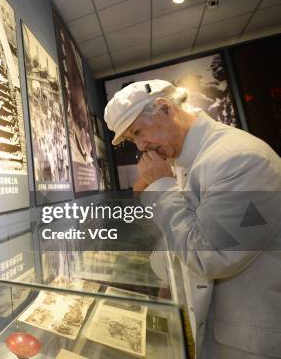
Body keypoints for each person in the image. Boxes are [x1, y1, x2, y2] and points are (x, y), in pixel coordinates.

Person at [104, 79, 281, 358]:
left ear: (164, 109)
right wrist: (166, 282)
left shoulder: (240, 159)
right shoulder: (184, 161)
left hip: (243, 344)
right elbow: (181, 235)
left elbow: (210, 255)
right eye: (131, 139)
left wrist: (161, 187)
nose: (140, 145)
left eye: (138, 131)